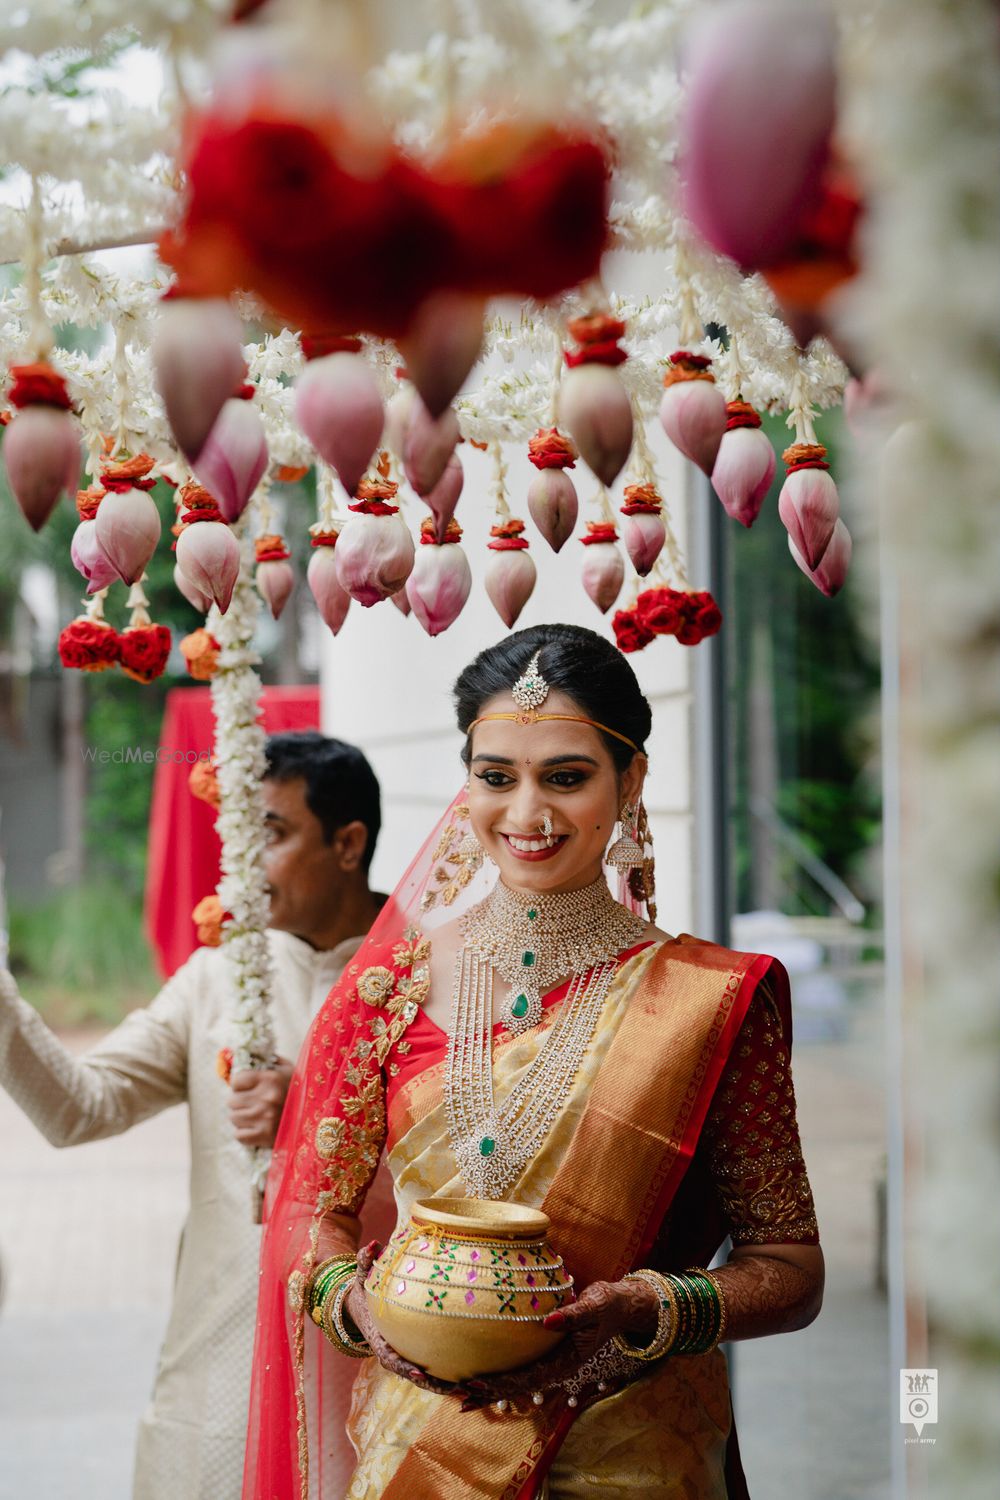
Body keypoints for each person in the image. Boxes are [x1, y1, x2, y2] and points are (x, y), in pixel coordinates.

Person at [244, 624, 824, 1500]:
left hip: (639, 1454)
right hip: (419, 1448)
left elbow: (790, 1272)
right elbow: (308, 1214)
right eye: (495, 777)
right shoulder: (389, 987)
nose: (526, 815)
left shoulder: (707, 1000)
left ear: (629, 782)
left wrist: (649, 1310)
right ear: (466, 782)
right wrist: (356, 1306)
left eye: (566, 776)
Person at [0, 731, 390, 1500]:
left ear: (348, 843)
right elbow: (82, 1109)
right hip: (221, 1359)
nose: (243, 863)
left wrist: (311, 1116)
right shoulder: (217, 973)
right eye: (238, 836)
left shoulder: (427, 977)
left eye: (271, 834)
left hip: (376, 1359)